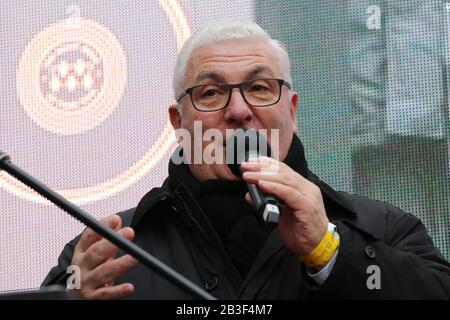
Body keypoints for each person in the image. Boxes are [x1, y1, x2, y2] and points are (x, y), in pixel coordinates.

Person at [42, 21, 450, 299]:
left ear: (292, 111)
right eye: (211, 93)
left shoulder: (383, 230)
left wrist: (331, 253)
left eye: (259, 87)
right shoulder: (103, 252)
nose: (238, 110)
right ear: (178, 123)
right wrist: (71, 298)